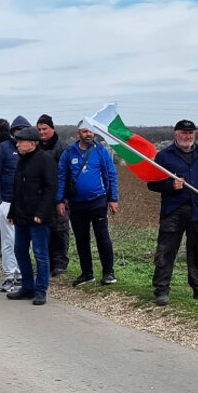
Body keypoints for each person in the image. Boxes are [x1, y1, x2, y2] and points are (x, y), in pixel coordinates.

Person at [147, 120, 198, 307]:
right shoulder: (164, 156)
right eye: (184, 133)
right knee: (166, 251)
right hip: (173, 211)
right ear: (176, 134)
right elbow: (152, 183)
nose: (188, 136)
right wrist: (170, 185)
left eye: (191, 133)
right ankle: (161, 291)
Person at [56, 119, 119, 288]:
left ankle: (108, 272)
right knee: (81, 239)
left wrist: (113, 199)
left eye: (91, 131)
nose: (88, 134)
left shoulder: (101, 151)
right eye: (85, 131)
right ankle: (87, 273)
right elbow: (61, 177)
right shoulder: (69, 153)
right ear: (78, 133)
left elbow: (111, 174)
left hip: (98, 201)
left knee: (102, 236)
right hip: (76, 203)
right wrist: (60, 200)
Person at [6, 127, 57, 305]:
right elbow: (17, 189)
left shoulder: (45, 161)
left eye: (21, 141)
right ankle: (27, 287)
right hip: (21, 216)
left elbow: (51, 189)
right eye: (17, 141)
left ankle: (41, 290)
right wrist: (12, 212)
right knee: (20, 251)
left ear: (32, 143)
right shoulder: (22, 161)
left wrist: (41, 213)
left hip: (38, 218)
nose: (17, 144)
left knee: (40, 254)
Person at [0, 115, 31, 291]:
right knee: (8, 240)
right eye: (17, 130)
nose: (19, 134)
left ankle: (23, 274)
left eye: (23, 130)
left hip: (27, 202)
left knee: (26, 240)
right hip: (7, 201)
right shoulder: (3, 149)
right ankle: (9, 275)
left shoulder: (32, 149)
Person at [36, 114, 70, 278]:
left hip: (58, 195)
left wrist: (61, 199)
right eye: (39, 129)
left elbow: (65, 175)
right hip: (40, 197)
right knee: (43, 230)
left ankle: (60, 263)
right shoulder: (35, 147)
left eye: (45, 129)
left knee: (60, 230)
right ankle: (46, 262)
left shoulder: (62, 147)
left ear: (52, 129)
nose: (42, 132)